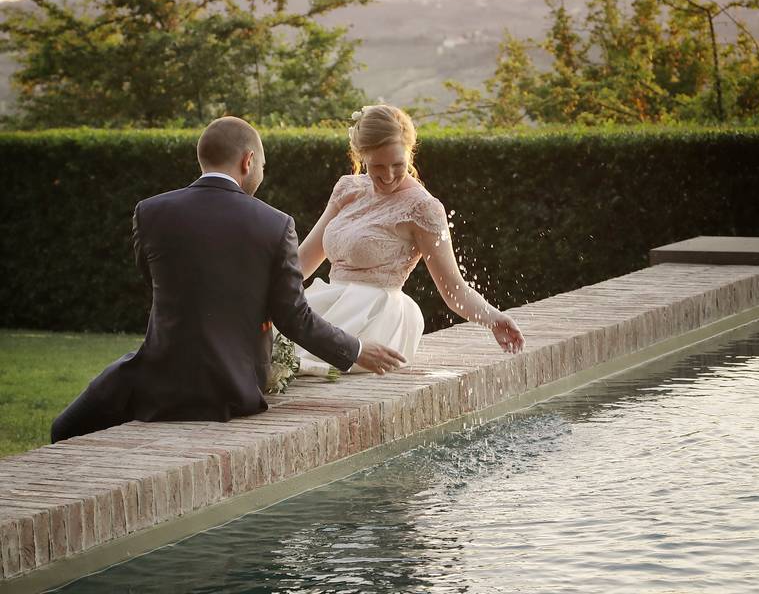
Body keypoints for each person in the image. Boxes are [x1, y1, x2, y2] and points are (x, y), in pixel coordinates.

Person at [51, 116, 405, 443]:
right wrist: (357, 349)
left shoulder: (150, 212)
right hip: (234, 387)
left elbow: (156, 282)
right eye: (262, 166)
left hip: (159, 379)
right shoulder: (275, 224)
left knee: (64, 428)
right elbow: (293, 317)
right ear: (248, 161)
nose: (261, 173)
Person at [289, 104, 525, 375]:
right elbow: (302, 261)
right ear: (361, 155)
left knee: (300, 365)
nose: (388, 176)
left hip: (376, 317)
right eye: (378, 165)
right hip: (328, 304)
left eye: (398, 164)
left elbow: (453, 290)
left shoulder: (423, 208)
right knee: (265, 351)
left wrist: (494, 319)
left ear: (410, 154)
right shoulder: (347, 188)